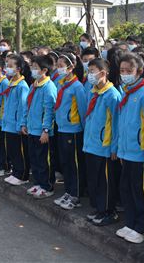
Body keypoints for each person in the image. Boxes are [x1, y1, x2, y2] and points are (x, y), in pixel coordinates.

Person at [115, 51, 144, 244]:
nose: (124, 74)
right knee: (128, 190)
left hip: (140, 154)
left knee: (142, 193)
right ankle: (132, 223)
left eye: (128, 70)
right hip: (127, 151)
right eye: (122, 70)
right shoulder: (127, 91)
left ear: (139, 71)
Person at [83, 58, 122, 226]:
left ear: (103, 73)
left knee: (105, 181)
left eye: (92, 71)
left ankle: (108, 211)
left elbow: (116, 123)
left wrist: (114, 147)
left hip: (104, 147)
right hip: (91, 145)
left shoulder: (112, 95)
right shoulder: (94, 92)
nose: (89, 74)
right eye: (89, 71)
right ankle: (99, 208)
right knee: (94, 180)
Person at [52, 53, 88, 209]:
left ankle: (76, 194)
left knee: (74, 164)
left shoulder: (77, 87)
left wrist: (82, 129)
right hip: (62, 128)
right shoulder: (61, 84)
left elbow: (82, 109)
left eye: (62, 66)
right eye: (58, 65)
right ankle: (68, 191)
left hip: (73, 130)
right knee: (66, 162)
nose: (59, 69)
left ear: (71, 67)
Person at [21, 55, 58, 199]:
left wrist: (46, 130)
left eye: (35, 68)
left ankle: (47, 186)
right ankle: (38, 182)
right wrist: (24, 123)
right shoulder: (34, 85)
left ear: (44, 70)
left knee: (44, 160)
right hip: (32, 129)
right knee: (35, 158)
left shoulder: (49, 87)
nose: (32, 70)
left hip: (42, 132)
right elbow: (27, 106)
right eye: (32, 67)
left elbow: (49, 110)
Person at [1, 54, 30, 186]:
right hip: (8, 123)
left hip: (16, 125)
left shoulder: (22, 86)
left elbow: (24, 107)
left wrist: (21, 124)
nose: (7, 68)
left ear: (18, 68)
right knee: (12, 150)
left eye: (11, 66)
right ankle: (16, 172)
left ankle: (22, 175)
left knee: (20, 151)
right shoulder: (10, 83)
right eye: (7, 65)